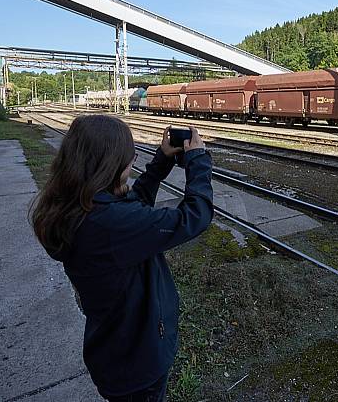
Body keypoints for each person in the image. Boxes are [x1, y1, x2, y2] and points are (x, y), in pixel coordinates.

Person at [31, 116, 213, 402]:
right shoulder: (111, 224)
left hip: (114, 351)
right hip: (139, 364)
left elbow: (131, 205)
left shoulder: (79, 206)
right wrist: (198, 161)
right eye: (130, 157)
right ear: (110, 166)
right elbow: (195, 217)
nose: (132, 162)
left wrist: (160, 163)